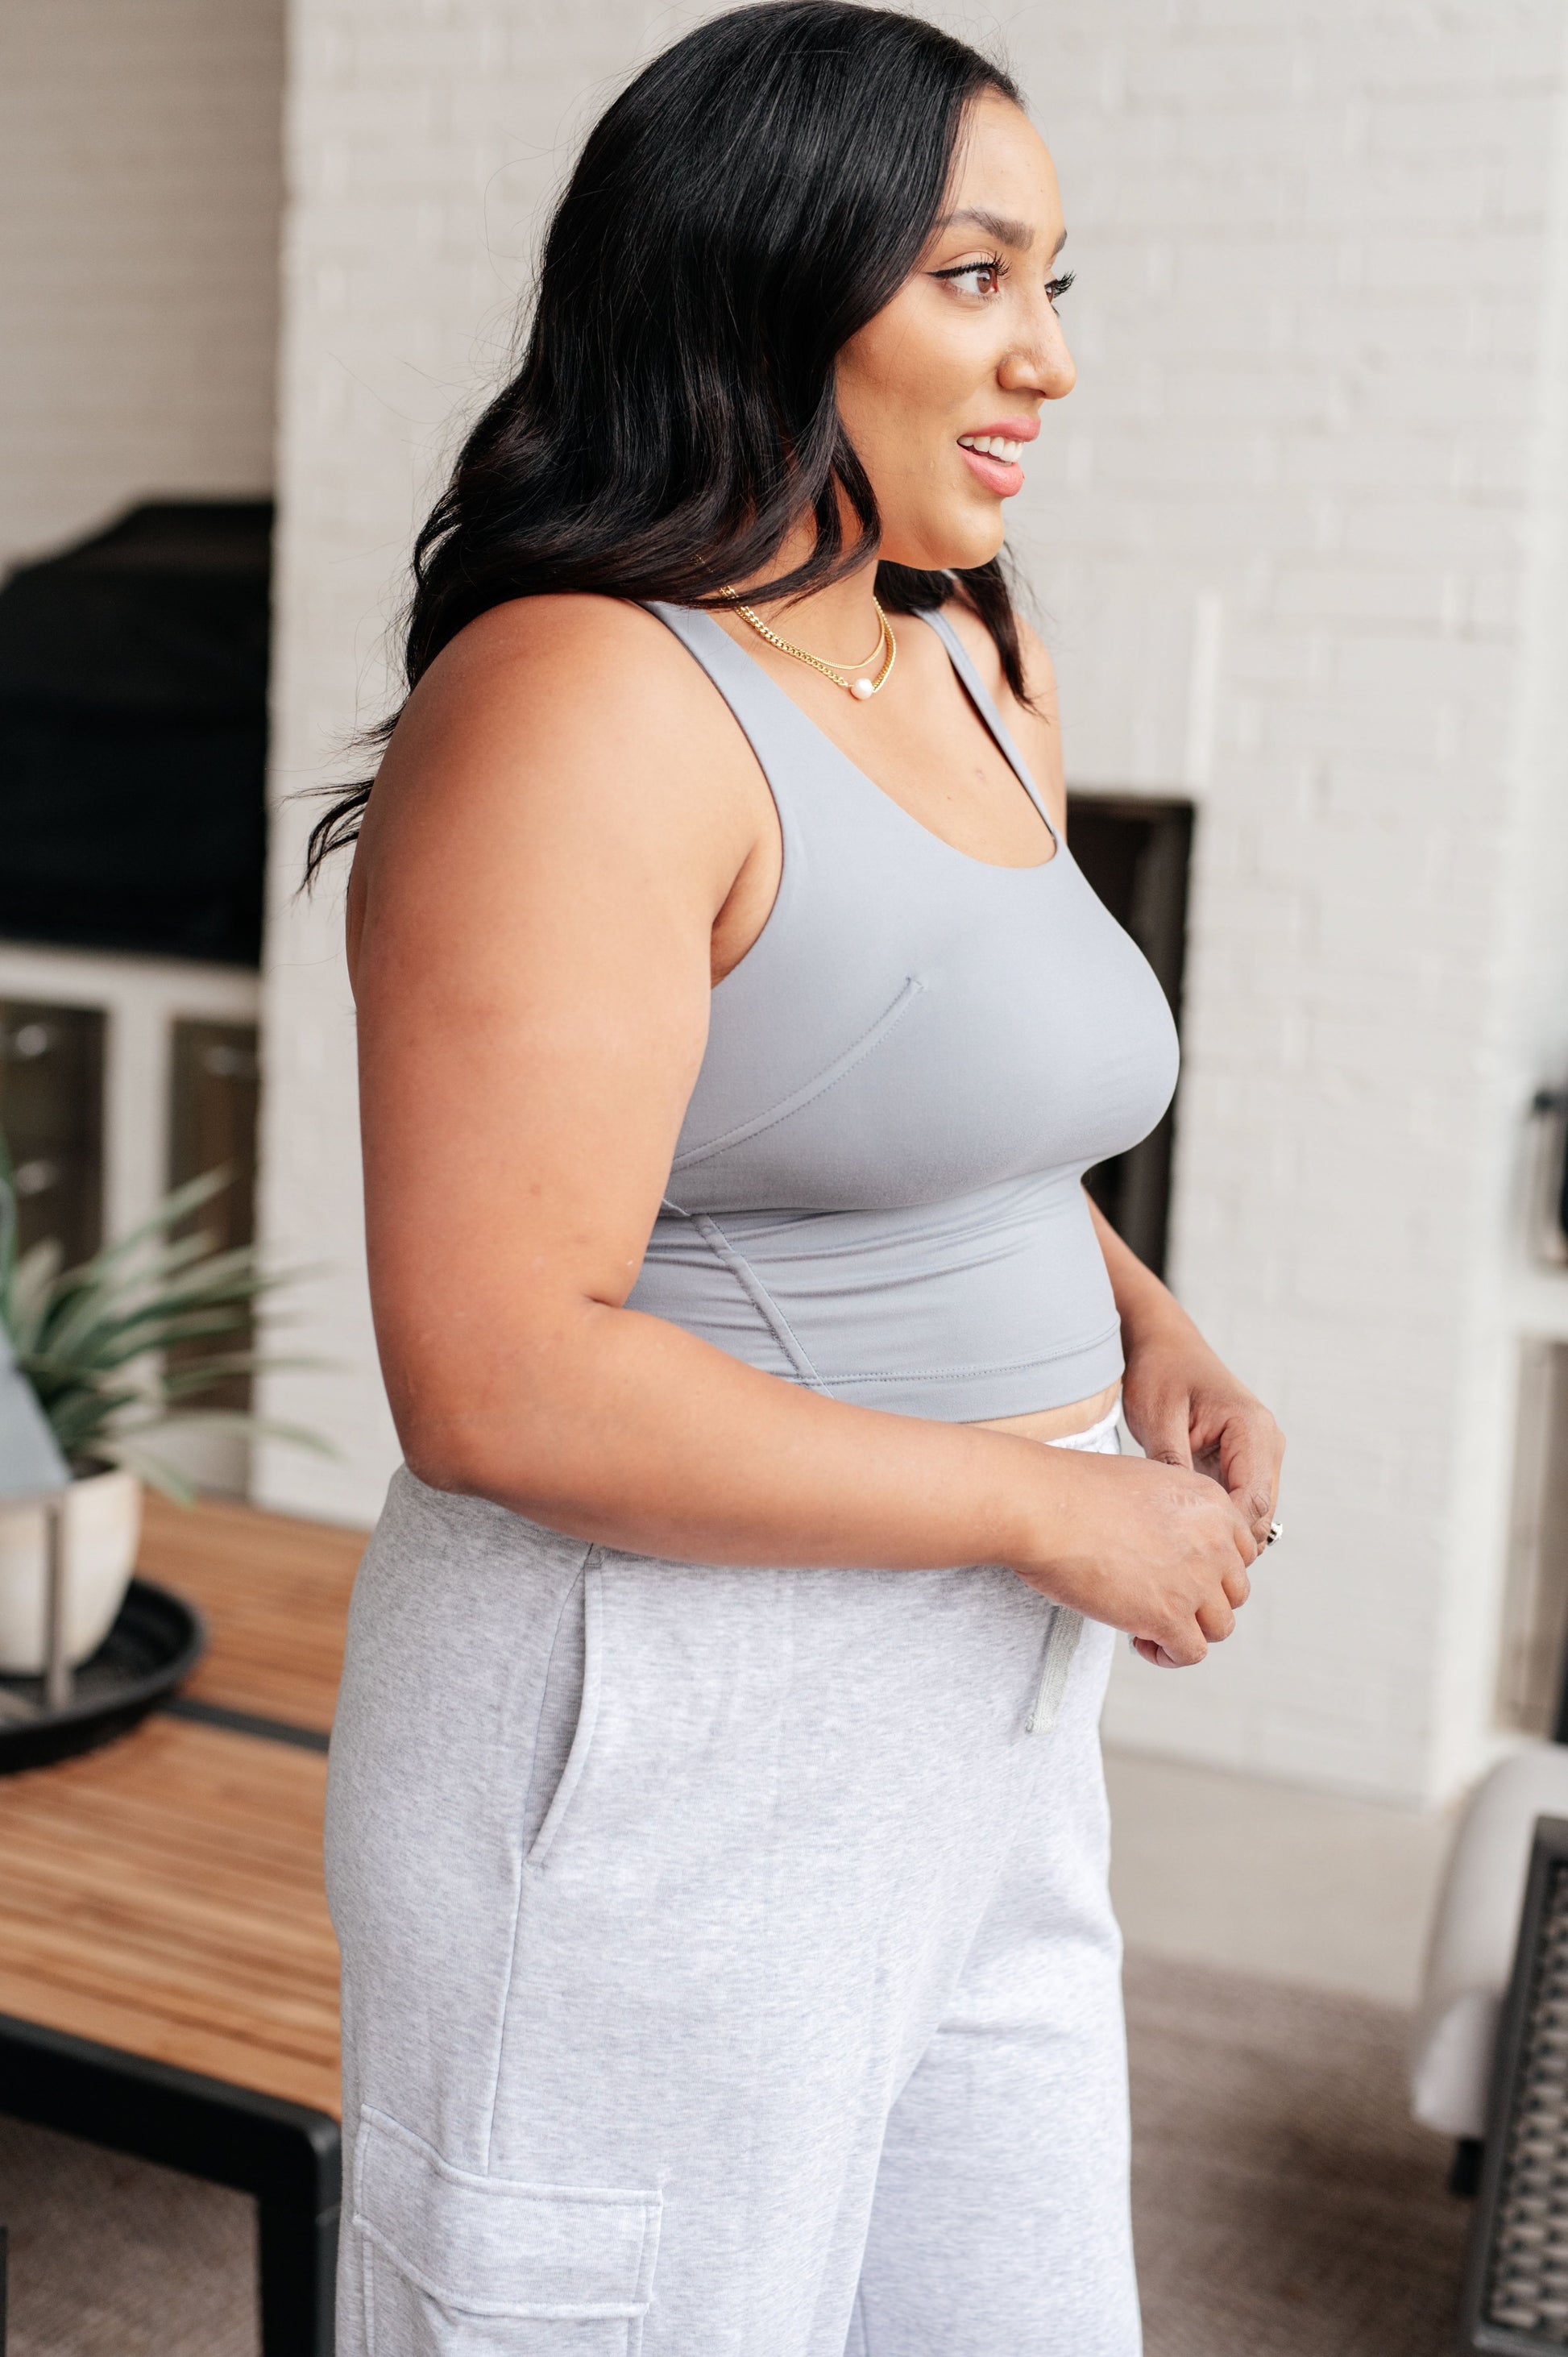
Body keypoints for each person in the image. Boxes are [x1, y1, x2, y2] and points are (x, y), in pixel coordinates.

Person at [315, 6, 1284, 2351]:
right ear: (763, 279)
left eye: (1052, 283)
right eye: (972, 277)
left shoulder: (963, 654)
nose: (1046, 358)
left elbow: (915, 1108)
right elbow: (497, 1378)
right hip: (667, 1707)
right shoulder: (575, 703)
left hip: (984, 1706)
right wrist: (1049, 1506)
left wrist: (1145, 1335)